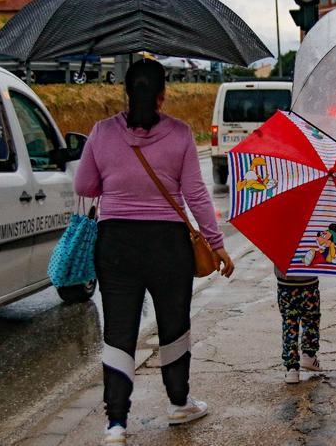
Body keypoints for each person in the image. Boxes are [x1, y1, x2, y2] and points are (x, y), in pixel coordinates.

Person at [74, 59, 235, 445]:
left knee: (119, 329)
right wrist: (216, 244)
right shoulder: (180, 135)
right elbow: (196, 196)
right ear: (163, 94)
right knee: (173, 324)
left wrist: (118, 180)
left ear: (126, 92)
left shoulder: (101, 132)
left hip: (116, 243)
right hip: (167, 245)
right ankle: (179, 403)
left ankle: (116, 423)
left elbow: (84, 185)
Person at [274, 267, 322, 384]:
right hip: (309, 281)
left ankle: (292, 369)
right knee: (311, 319)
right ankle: (309, 355)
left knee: (289, 324)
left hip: (285, 283)